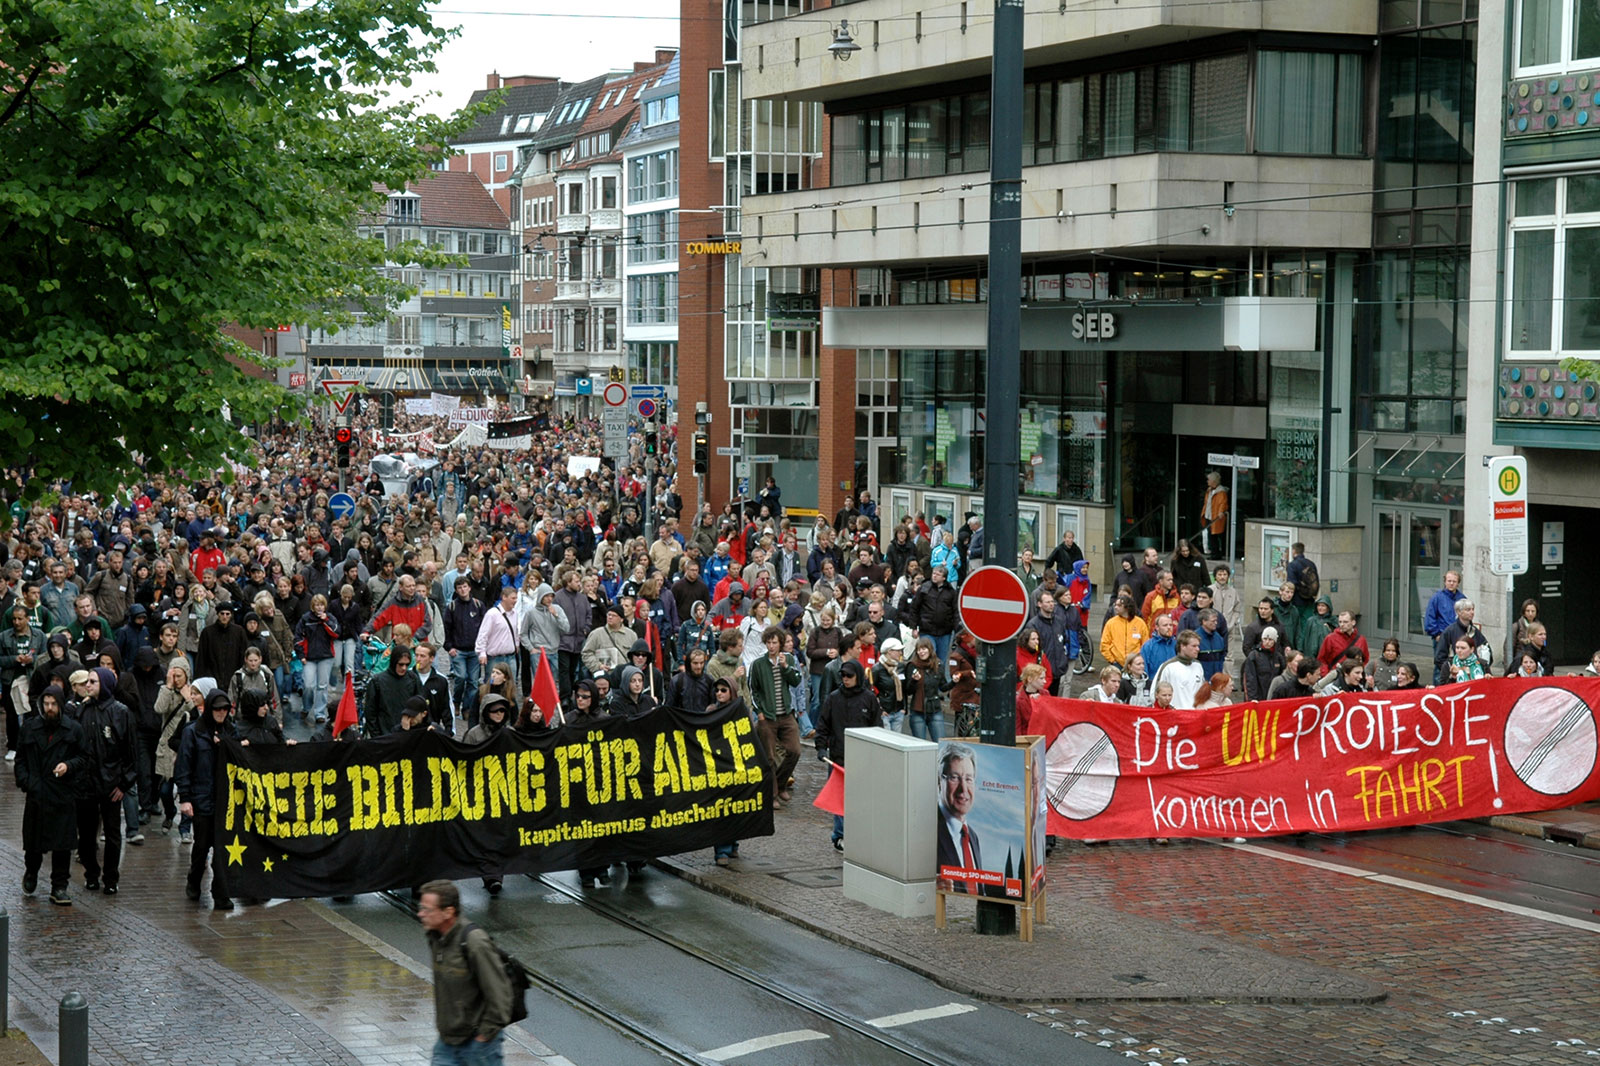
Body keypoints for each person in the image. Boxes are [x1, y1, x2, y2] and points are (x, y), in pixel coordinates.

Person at [418, 879, 515, 1065]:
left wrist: (485, 1035)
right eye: (421, 907)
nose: (421, 914)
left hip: (478, 1045)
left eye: (427, 909)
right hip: (447, 1041)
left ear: (448, 912)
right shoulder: (436, 938)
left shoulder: (474, 942)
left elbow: (500, 994)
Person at [16, 685, 88, 905]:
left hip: (61, 794)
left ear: (60, 705)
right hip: (37, 794)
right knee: (33, 843)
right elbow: (20, 760)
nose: (49, 708)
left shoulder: (73, 730)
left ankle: (59, 886)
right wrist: (28, 782)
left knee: (62, 845)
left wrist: (68, 765)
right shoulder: (30, 728)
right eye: (46, 704)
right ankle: (31, 872)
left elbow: (84, 758)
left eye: (53, 704)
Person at [71, 666, 137, 895]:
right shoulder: (82, 710)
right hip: (85, 784)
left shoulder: (121, 712)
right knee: (87, 835)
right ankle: (91, 874)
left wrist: (124, 784)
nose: (87, 685)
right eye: (87, 681)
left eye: (93, 682)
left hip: (111, 785)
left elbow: (131, 753)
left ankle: (111, 877)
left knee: (112, 834)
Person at [175, 688, 236, 910]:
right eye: (217, 708)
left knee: (221, 848)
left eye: (225, 709)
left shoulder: (232, 732)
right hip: (201, 798)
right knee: (201, 847)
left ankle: (220, 892)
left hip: (225, 801)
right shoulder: (193, 732)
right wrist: (185, 798)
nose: (221, 713)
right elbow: (184, 765)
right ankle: (194, 880)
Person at [814, 660, 875, 850]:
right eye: (843, 676)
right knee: (839, 799)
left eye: (849, 676)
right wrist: (821, 747)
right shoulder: (834, 698)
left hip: (863, 758)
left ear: (858, 676)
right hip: (838, 758)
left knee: (861, 799)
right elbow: (823, 724)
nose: (846, 679)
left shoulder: (869, 698)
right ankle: (840, 835)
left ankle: (859, 832)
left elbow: (877, 727)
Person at [748, 626, 803, 806]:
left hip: (786, 714)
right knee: (769, 757)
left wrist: (786, 667)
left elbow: (796, 680)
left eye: (775, 643)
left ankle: (780, 785)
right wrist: (760, 713)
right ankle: (771, 795)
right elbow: (752, 689)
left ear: (780, 644)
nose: (771, 646)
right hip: (768, 717)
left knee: (794, 751)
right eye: (769, 643)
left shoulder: (788, 659)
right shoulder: (758, 664)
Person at [936, 742, 998, 897]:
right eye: (955, 778)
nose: (963, 789)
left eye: (969, 779)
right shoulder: (929, 827)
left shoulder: (971, 836)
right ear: (939, 782)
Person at [366, 645, 420, 737]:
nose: (404, 668)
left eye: (407, 665)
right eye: (401, 664)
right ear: (394, 662)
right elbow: (370, 711)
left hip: (407, 733)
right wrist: (377, 736)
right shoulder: (377, 681)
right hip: (385, 734)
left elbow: (419, 705)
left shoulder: (412, 679)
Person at [1433, 598, 1489, 685]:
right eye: (1468, 610)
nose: (1472, 612)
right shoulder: (1449, 631)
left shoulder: (1475, 631)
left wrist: (1483, 666)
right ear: (1459, 612)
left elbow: (1486, 649)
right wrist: (1449, 669)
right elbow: (1439, 657)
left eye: (1473, 609)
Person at [903, 638, 950, 740]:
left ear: (930, 649)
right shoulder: (912, 665)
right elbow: (908, 691)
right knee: (920, 745)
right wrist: (914, 681)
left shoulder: (938, 665)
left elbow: (943, 687)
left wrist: (954, 682)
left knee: (940, 743)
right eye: (919, 649)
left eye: (924, 649)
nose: (921, 652)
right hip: (917, 710)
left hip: (934, 709)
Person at [1152, 630, 1206, 709]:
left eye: (1198, 646)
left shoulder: (1198, 666)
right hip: (1176, 716)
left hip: (1196, 716)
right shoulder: (1168, 667)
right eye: (1194, 646)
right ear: (1182, 646)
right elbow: (1154, 693)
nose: (1198, 649)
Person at [1316, 611, 1370, 676]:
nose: (1342, 624)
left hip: (1355, 677)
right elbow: (1321, 660)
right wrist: (1326, 675)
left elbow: (1365, 660)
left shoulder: (1361, 640)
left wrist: (1359, 673)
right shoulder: (1330, 638)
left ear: (1353, 622)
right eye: (1340, 622)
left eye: (1345, 622)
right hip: (1336, 676)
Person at [1243, 627, 1286, 703]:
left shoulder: (1278, 657)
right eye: (1265, 639)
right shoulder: (1254, 656)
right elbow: (1250, 679)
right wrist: (1252, 698)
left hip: (1274, 698)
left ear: (1274, 641)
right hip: (1258, 697)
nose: (1267, 642)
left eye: (1270, 640)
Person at [1423, 570, 1465, 647]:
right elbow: (1430, 617)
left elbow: (1466, 617)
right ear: (1445, 582)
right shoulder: (1437, 598)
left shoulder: (1462, 599)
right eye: (1449, 581)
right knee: (1441, 659)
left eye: (1454, 581)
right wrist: (1436, 635)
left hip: (1458, 638)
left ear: (1458, 583)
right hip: (1441, 637)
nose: (1451, 583)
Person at [1199, 471, 1229, 559]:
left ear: (1214, 481)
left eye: (1209, 480)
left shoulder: (1221, 492)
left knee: (1215, 536)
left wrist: (1220, 512)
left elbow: (1222, 503)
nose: (1207, 481)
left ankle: (1216, 553)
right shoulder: (1209, 491)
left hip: (1215, 516)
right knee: (1211, 535)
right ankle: (1213, 552)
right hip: (1209, 515)